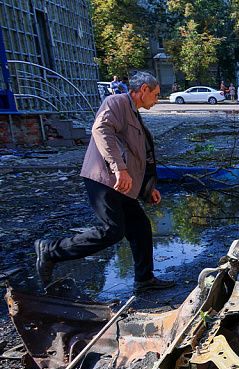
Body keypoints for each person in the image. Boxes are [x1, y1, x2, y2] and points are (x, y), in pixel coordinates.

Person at [34, 72, 175, 292]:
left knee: (140, 227)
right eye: (156, 95)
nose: (157, 100)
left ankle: (145, 280)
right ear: (144, 89)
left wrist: (148, 189)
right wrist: (120, 169)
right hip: (105, 179)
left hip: (122, 183)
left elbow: (139, 153)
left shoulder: (133, 111)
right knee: (112, 230)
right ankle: (51, 250)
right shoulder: (116, 102)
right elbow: (101, 130)